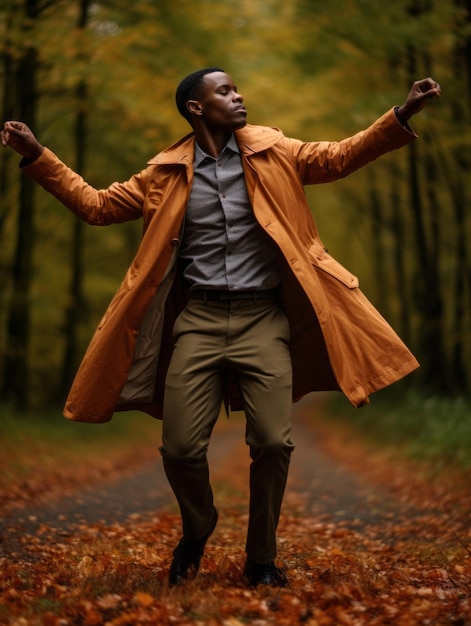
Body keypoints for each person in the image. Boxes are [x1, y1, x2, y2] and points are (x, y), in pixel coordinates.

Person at [1, 69, 440, 587]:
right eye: (225, 92)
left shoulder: (276, 152)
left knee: (274, 443)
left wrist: (402, 114)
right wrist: (38, 155)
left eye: (236, 89)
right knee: (181, 449)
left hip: (263, 320)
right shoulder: (162, 176)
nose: (238, 97)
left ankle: (261, 559)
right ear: (196, 108)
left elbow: (341, 155)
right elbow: (97, 206)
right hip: (200, 322)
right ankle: (199, 524)